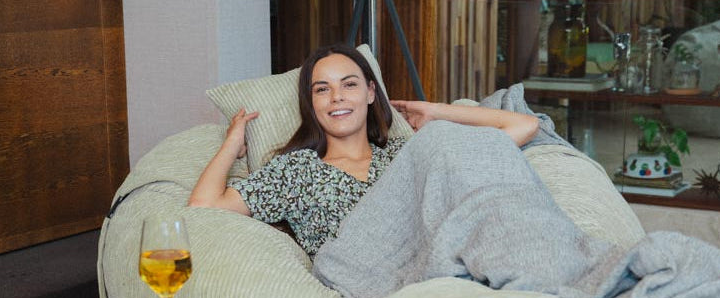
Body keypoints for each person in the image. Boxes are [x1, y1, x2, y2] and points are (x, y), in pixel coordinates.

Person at [188, 43, 539, 258]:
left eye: (349, 84)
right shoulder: (293, 171)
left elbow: (523, 127)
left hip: (439, 262)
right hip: (368, 281)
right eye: (322, 89)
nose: (337, 97)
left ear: (371, 93)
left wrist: (435, 110)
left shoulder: (406, 153)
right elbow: (203, 207)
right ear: (311, 103)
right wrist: (232, 143)